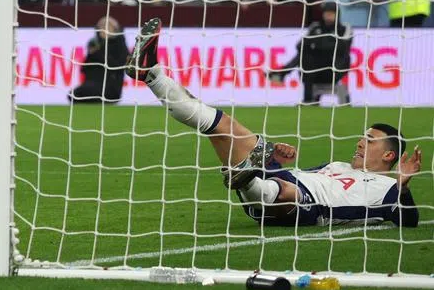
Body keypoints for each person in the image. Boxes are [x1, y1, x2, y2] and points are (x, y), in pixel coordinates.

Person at [128, 19, 421, 228]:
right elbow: (297, 176)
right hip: (282, 187)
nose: (360, 142)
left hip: (307, 207)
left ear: (388, 155)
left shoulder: (389, 188)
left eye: (369, 140)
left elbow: (409, 221)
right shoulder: (336, 166)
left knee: (286, 190)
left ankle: (249, 178)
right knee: (223, 127)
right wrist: (275, 162)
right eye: (363, 136)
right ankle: (153, 75)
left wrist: (403, 187)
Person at [269, 1, 353, 104]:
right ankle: (308, 99)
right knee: (305, 57)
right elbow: (300, 45)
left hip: (335, 68)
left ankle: (281, 74)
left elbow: (341, 47)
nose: (328, 16)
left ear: (337, 14)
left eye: (331, 13)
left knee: (308, 56)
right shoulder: (316, 27)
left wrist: (316, 44)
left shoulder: (344, 28)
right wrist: (323, 43)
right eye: (326, 13)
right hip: (315, 68)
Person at [69, 16, 129, 104]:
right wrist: (93, 52)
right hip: (92, 84)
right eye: (102, 26)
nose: (104, 29)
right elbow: (85, 69)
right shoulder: (94, 44)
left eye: (108, 26)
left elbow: (118, 66)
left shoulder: (120, 46)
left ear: (115, 29)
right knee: (74, 94)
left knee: (83, 93)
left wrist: (100, 51)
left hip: (110, 88)